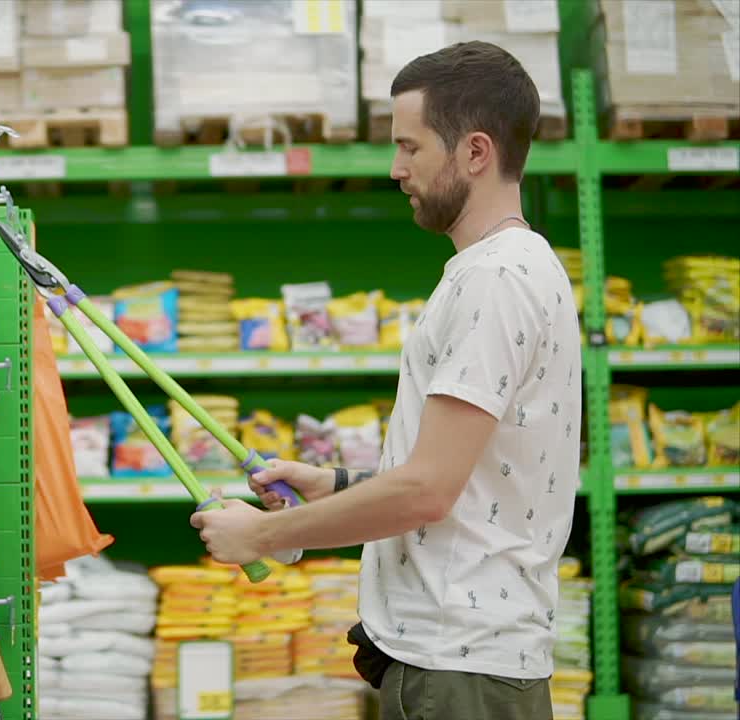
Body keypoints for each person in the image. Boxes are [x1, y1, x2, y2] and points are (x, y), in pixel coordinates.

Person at [189, 41, 581, 720]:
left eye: (411, 147)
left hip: (461, 669)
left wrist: (260, 539)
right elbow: (460, 480)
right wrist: (337, 486)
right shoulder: (504, 268)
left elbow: (426, 492)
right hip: (464, 660)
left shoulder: (496, 280)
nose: (396, 169)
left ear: (475, 152)